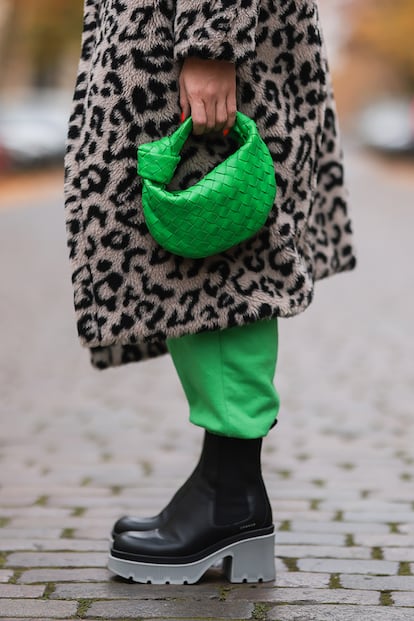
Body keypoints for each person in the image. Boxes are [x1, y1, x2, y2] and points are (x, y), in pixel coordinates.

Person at [64, 0, 356, 584]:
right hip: (179, 38)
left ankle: (229, 498)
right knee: (205, 259)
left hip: (191, 47)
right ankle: (223, 485)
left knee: (219, 262)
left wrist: (210, 42)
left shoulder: (208, 52)